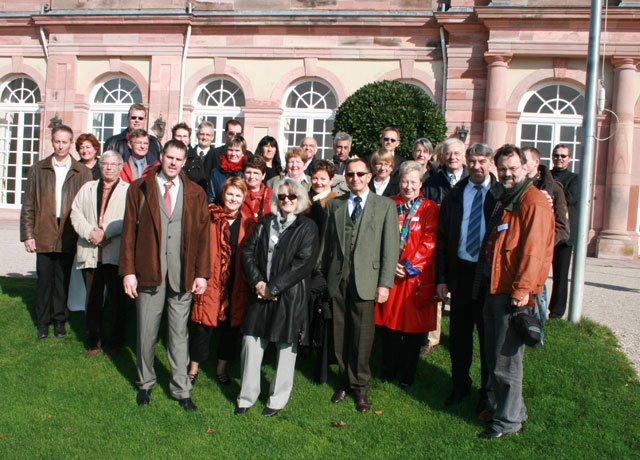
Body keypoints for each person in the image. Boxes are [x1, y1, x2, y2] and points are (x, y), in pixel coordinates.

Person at [119, 140, 210, 411]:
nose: (173, 163)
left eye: (179, 159)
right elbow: (128, 233)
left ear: (184, 162)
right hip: (148, 271)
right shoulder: (139, 188)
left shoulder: (195, 192)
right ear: (161, 156)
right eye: (169, 157)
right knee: (146, 332)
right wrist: (128, 272)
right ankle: (145, 383)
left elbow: (203, 236)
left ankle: (182, 389)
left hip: (183, 275)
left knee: (179, 334)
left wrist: (202, 274)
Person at [478, 144, 554, 439]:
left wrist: (522, 291)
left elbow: (534, 252)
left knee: (506, 363)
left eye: (512, 168)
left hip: (512, 292)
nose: (507, 173)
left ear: (525, 168)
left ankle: (507, 423)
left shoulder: (533, 201)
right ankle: (514, 411)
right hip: (496, 286)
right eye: (502, 168)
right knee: (496, 358)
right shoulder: (510, 197)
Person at [320, 158, 399, 412]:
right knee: (340, 334)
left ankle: (361, 386)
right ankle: (344, 381)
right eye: (350, 174)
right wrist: (321, 277)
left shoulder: (385, 205)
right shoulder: (334, 205)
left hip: (367, 280)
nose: (355, 178)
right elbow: (326, 245)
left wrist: (384, 284)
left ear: (369, 176)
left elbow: (390, 249)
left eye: (360, 174)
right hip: (338, 280)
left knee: (362, 337)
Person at [236, 178, 318, 416]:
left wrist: (274, 288)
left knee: (285, 347)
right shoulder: (265, 222)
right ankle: (246, 396)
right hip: (260, 292)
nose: (286, 200)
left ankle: (277, 399)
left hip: (289, 295)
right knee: (251, 342)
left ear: (300, 199)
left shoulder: (308, 227)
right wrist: (259, 283)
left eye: (292, 196)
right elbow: (248, 252)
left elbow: (303, 264)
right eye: (282, 196)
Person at [435, 143, 503, 415]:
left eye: (482, 161)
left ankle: (488, 392)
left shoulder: (501, 195)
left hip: (488, 275)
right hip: (461, 273)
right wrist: (442, 278)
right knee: (460, 336)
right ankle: (460, 384)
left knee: (488, 338)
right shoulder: (455, 194)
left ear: (490, 163)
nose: (476, 166)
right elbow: (442, 239)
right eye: (472, 161)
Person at [20, 125, 93, 341]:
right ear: (52, 142)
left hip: (68, 230)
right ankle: (42, 322)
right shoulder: (38, 169)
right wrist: (28, 234)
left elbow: (88, 204)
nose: (60, 146)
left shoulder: (82, 172)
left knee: (62, 279)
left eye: (64, 142)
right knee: (44, 279)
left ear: (71, 144)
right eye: (57, 141)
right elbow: (28, 204)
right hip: (43, 229)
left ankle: (59, 320)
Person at [375, 161, 439, 387]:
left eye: (413, 182)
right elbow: (378, 235)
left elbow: (430, 240)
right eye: (404, 181)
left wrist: (409, 266)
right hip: (390, 275)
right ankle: (388, 369)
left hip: (414, 279)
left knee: (412, 330)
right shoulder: (388, 204)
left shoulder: (430, 208)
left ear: (420, 183)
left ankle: (407, 374)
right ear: (398, 182)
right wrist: (390, 264)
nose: (408, 186)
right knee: (389, 326)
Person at [189, 177, 254, 386]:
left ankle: (221, 369)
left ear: (243, 198)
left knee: (230, 328)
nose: (233, 199)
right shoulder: (210, 217)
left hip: (236, 281)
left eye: (238, 195)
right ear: (222, 195)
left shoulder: (248, 223)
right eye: (229, 194)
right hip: (211, 279)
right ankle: (193, 369)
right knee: (203, 326)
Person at [70, 151, 129, 358]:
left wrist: (105, 233)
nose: (109, 168)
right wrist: (90, 233)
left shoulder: (128, 191)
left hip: (114, 254)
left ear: (120, 167)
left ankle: (114, 343)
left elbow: (130, 218)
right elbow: (75, 213)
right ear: (100, 166)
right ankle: (94, 341)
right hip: (90, 252)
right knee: (92, 300)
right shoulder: (88, 188)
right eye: (105, 164)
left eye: (113, 164)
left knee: (116, 301)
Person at [523, 146, 570, 327]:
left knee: (537, 293)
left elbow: (562, 225)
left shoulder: (553, 188)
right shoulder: (516, 184)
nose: (521, 164)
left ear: (536, 162)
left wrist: (545, 244)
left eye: (525, 160)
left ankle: (538, 329)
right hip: (519, 248)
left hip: (540, 250)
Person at [549, 144, 579, 319]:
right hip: (545, 231)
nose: (559, 158)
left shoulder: (574, 179)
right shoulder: (546, 175)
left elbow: (569, 198)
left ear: (569, 158)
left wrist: (552, 193)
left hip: (564, 234)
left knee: (561, 275)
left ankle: (557, 311)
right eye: (556, 155)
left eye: (563, 156)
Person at [422, 137, 468, 205]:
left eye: (456, 153)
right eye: (447, 153)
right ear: (442, 157)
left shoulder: (472, 181)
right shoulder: (430, 183)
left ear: (464, 156)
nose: (452, 157)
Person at [206, 135, 246, 204]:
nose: (233, 154)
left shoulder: (246, 171)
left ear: (243, 153)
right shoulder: (216, 173)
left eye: (237, 150)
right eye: (230, 150)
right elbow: (211, 199)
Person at [240, 154, 272, 222]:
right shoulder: (236, 194)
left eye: (256, 173)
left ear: (263, 175)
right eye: (248, 172)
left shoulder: (271, 195)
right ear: (243, 174)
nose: (252, 176)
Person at [184, 121, 212, 189]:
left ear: (212, 137)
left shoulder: (216, 157)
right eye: (202, 134)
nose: (204, 137)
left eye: (208, 135)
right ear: (197, 135)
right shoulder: (187, 155)